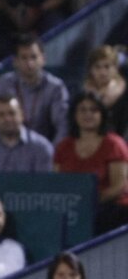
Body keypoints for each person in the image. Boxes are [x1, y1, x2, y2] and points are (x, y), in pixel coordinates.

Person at [52, 91, 128, 233]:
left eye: (94, 110)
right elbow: (57, 183)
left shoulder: (114, 144)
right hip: (74, 208)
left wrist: (89, 201)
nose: (88, 114)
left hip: (111, 209)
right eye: (82, 110)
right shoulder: (63, 146)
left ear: (102, 114)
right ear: (74, 115)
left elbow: (119, 186)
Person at [0, 36, 70, 145]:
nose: (29, 63)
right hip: (7, 147)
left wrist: (52, 154)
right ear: (15, 61)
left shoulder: (55, 87)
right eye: (24, 58)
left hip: (42, 152)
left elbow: (63, 125)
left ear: (43, 59)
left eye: (33, 57)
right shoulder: (4, 83)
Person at [0, 95, 54, 173]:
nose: (7, 119)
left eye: (12, 113)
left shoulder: (41, 147)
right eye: (1, 115)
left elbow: (44, 185)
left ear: (22, 115)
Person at [82, 44, 128, 136]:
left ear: (115, 68)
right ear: (91, 69)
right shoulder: (82, 94)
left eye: (107, 67)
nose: (102, 72)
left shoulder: (125, 94)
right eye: (97, 67)